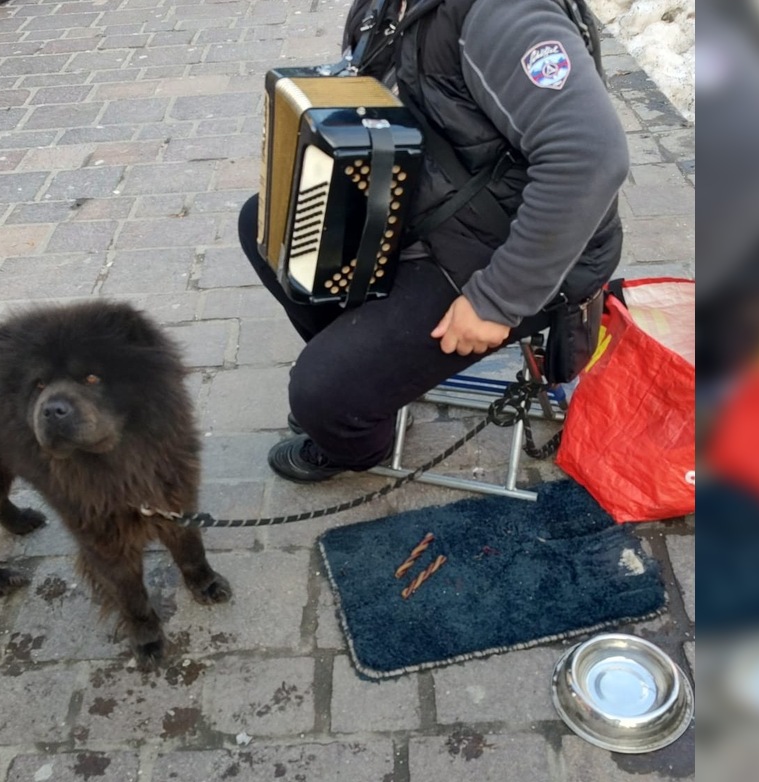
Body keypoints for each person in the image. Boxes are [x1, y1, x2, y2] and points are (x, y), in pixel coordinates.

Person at [238, 0, 629, 482]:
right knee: (267, 223)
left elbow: (591, 157)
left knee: (321, 394)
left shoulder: (504, 14)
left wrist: (497, 301)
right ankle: (369, 379)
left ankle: (354, 433)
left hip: (512, 248)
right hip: (438, 209)